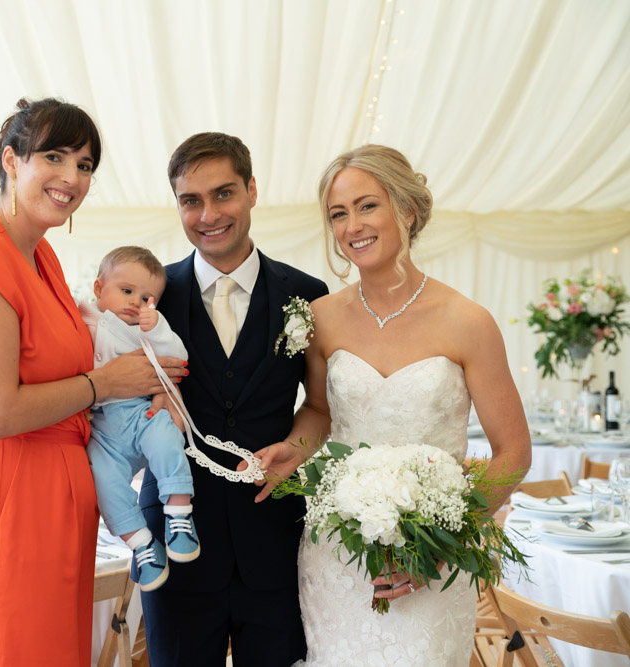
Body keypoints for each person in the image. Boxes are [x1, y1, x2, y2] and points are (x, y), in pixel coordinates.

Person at [0, 97, 185, 667]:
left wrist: (149, 384)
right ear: (10, 160)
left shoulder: (41, 258)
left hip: (55, 507)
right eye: (55, 157)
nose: (72, 177)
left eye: (85, 165)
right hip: (6, 501)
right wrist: (105, 384)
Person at [251, 144, 532, 666]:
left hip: (434, 556)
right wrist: (295, 447)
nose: (352, 225)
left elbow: (513, 452)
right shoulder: (322, 317)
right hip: (337, 554)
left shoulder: (468, 321)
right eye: (338, 213)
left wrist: (441, 544)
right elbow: (319, 410)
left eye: (367, 206)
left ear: (407, 209)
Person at [137, 132, 328, 666]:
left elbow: (320, 408)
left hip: (274, 535)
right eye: (190, 200)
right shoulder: (148, 297)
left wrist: (296, 449)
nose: (208, 214)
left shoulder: (308, 295)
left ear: (252, 191)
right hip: (176, 534)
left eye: (223, 193)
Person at [78, 246, 197, 592]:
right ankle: (142, 543)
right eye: (126, 290)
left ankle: (179, 514)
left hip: (141, 411)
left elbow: (178, 357)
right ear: (99, 288)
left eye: (146, 298)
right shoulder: (80, 316)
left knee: (166, 438)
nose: (135, 302)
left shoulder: (146, 329)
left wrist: (157, 328)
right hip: (102, 427)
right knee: (103, 480)